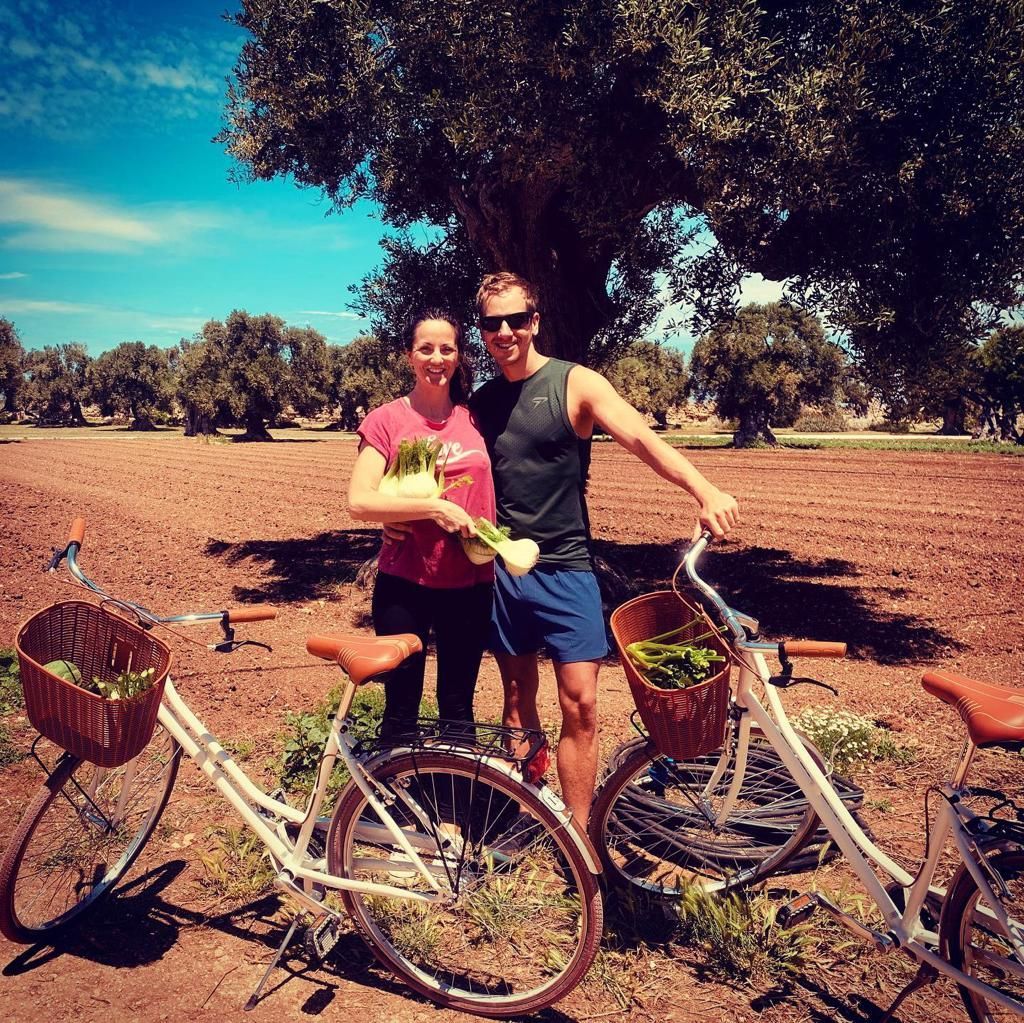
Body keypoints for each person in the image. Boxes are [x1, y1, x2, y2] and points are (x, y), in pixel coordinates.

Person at [468, 271, 740, 822]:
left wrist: (704, 489)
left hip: (567, 569)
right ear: (482, 331)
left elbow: (642, 438)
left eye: (516, 319)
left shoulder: (575, 384)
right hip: (504, 573)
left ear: (534, 321)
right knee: (517, 700)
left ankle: (580, 834)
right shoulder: (482, 401)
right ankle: (526, 816)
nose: (505, 332)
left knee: (582, 704)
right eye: (493, 323)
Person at [347, 309, 495, 738]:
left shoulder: (477, 419)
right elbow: (360, 501)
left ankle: (452, 783)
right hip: (405, 583)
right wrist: (430, 509)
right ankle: (392, 782)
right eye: (425, 348)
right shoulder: (387, 420)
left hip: (471, 583)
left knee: (458, 707)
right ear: (409, 355)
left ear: (458, 356)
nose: (437, 358)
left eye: (447, 349)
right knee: (400, 709)